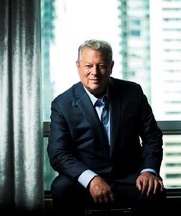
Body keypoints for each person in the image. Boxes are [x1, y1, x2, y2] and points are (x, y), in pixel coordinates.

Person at [47, 39, 166, 215]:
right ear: (78, 66)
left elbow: (152, 137)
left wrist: (148, 171)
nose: (94, 72)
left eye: (101, 65)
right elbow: (58, 153)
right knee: (60, 188)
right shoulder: (62, 104)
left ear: (111, 66)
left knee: (154, 190)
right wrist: (91, 179)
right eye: (88, 65)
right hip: (84, 178)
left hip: (129, 176)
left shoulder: (132, 93)